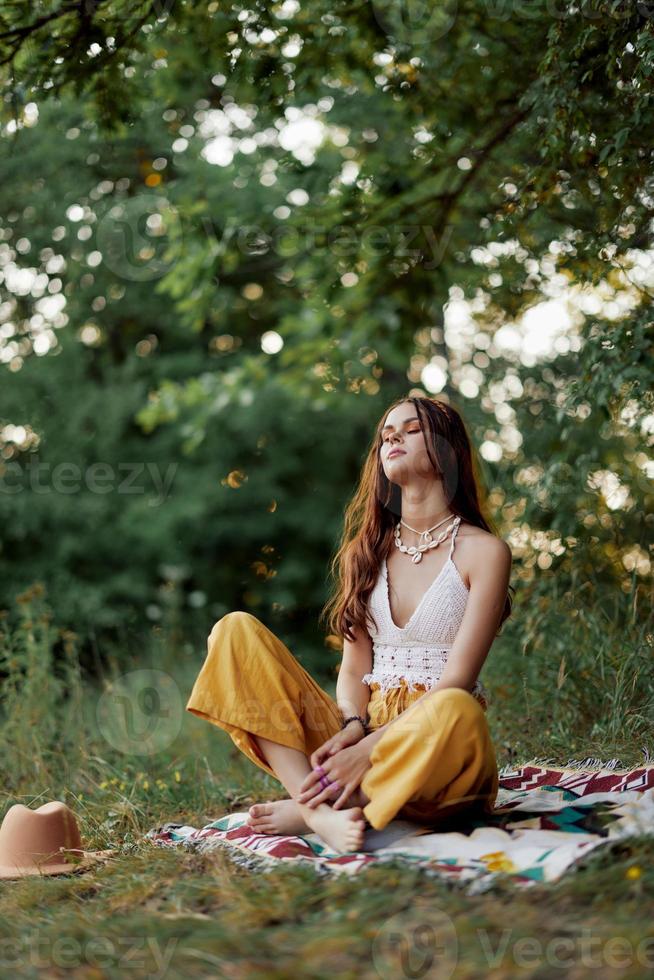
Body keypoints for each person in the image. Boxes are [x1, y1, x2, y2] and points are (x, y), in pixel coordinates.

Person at [186, 395, 513, 854]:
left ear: (448, 449)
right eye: (386, 435)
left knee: (456, 708)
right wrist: (354, 727)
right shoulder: (368, 553)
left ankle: (308, 808)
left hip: (440, 752)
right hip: (366, 730)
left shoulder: (486, 553)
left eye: (411, 429)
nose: (393, 437)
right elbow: (356, 665)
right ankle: (321, 811)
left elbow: (458, 679)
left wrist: (369, 752)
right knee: (233, 630)